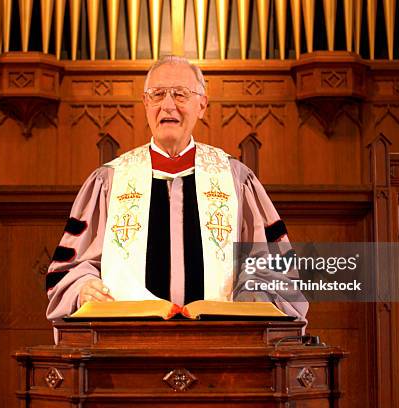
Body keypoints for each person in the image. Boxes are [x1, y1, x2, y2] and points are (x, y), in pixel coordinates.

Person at [46, 56, 308, 335]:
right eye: (157, 94)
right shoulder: (109, 181)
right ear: (146, 103)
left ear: (202, 105)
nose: (167, 105)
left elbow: (272, 263)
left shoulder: (236, 180)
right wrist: (83, 288)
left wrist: (255, 294)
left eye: (180, 94)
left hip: (222, 346)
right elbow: (70, 267)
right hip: (125, 345)